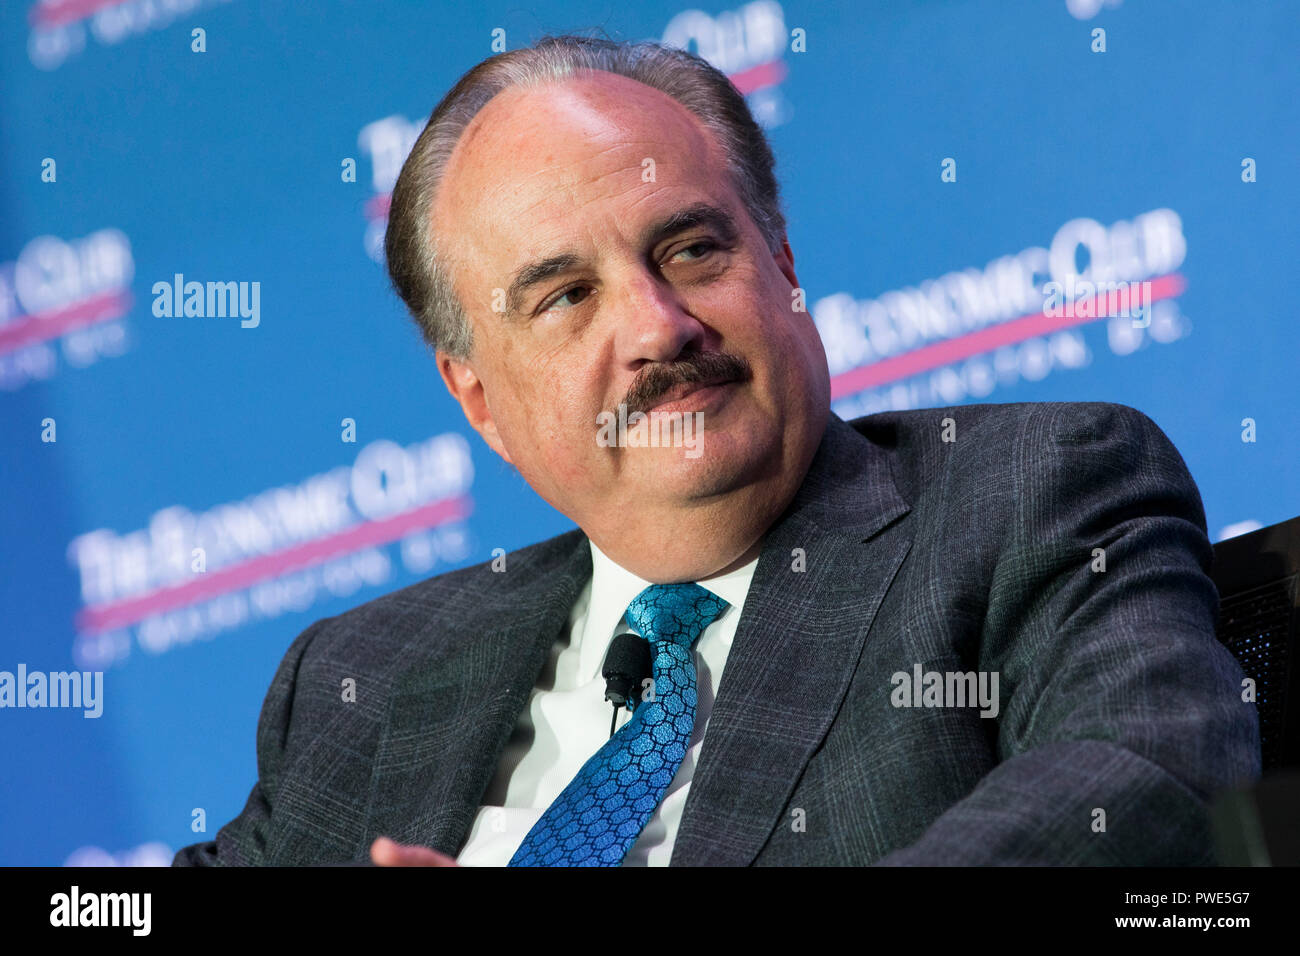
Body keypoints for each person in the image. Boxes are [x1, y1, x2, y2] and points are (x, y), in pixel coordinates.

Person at [173, 35, 1259, 867]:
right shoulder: (361, 678)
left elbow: (1146, 784)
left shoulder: (1030, 496)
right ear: (481, 401)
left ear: (782, 263)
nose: (656, 327)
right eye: (565, 295)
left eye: (691, 249)